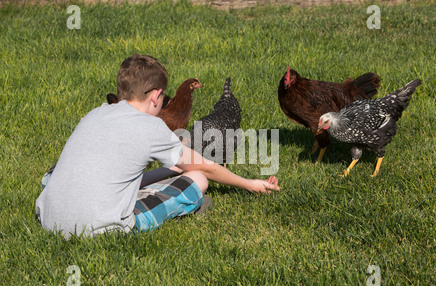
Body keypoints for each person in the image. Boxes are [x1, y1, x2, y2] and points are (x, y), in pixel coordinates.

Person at [35, 54, 279, 238]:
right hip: (98, 228)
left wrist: (175, 167)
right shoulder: (151, 127)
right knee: (198, 179)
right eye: (164, 98)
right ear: (155, 96)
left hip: (48, 216)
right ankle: (186, 202)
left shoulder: (96, 113)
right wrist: (249, 183)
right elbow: (209, 169)